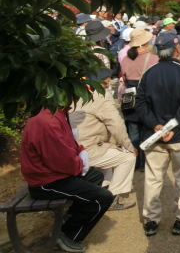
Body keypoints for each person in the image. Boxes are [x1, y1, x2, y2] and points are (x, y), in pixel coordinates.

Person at [21, 74, 115, 252]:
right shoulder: (47, 122)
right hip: (45, 182)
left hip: (55, 173)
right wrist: (80, 163)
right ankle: (68, 234)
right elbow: (62, 162)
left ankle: (71, 217)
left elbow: (69, 143)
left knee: (95, 175)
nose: (76, 98)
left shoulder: (57, 113)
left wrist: (80, 151)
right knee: (103, 198)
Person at [135, 31, 180, 237]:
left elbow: (141, 103)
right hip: (178, 135)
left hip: (154, 135)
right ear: (176, 47)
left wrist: (156, 126)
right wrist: (170, 127)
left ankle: (151, 219)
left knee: (153, 178)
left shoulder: (149, 72)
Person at [69, 69, 137, 211]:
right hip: (88, 149)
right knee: (127, 158)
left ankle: (103, 190)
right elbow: (116, 124)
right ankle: (111, 198)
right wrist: (128, 146)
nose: (108, 80)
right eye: (106, 78)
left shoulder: (75, 94)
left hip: (73, 147)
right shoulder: (100, 96)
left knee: (109, 155)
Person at [118, 28, 159, 170]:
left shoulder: (125, 59)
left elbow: (123, 78)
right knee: (148, 129)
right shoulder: (154, 59)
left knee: (133, 131)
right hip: (147, 96)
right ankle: (146, 162)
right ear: (146, 42)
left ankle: (135, 161)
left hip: (130, 96)